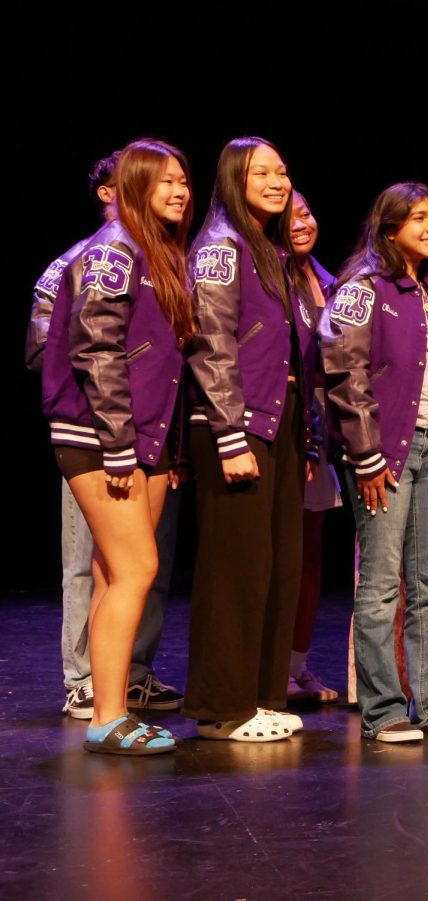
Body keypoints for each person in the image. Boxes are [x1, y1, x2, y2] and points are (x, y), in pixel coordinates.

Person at [41, 138, 194, 754]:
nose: (180, 191)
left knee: (113, 573)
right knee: (137, 568)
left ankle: (112, 710)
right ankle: (106, 716)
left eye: (184, 180)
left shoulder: (156, 253)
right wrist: (120, 444)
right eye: (165, 182)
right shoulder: (113, 252)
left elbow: (168, 365)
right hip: (104, 435)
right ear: (133, 187)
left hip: (145, 435)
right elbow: (96, 350)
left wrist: (169, 451)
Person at [324, 182, 428, 741]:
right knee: (379, 585)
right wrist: (366, 455)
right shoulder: (362, 288)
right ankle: (383, 710)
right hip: (385, 452)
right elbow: (345, 375)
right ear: (389, 228)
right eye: (417, 218)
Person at [184, 137, 319, 741]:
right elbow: (211, 344)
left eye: (282, 172)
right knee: (235, 569)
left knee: (278, 564)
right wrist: (230, 434)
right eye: (261, 172)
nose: (276, 181)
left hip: (279, 417)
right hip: (238, 421)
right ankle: (222, 707)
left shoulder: (266, 250)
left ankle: (261, 696)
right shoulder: (220, 248)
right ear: (234, 180)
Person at [286, 190, 341, 703]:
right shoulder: (272, 277)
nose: (301, 222)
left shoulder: (329, 281)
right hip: (287, 424)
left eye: (306, 211)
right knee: (283, 550)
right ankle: (269, 666)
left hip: (324, 429)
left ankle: (296, 664)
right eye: (289, 216)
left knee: (310, 552)